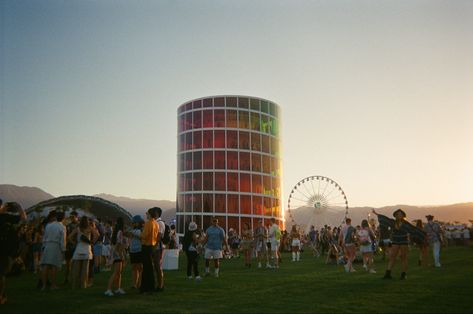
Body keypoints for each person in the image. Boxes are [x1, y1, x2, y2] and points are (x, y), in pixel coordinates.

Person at [373, 209, 425, 280]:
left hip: (404, 241)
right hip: (395, 241)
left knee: (403, 258)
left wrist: (423, 235)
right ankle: (388, 274)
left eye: (400, 214)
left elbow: (413, 230)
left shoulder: (406, 224)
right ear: (395, 215)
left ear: (403, 215)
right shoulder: (393, 222)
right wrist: (376, 213)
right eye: (397, 214)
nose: (399, 215)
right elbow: (385, 219)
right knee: (392, 257)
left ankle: (403, 274)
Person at [0, 201, 26, 304]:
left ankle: (2, 295)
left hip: (5, 249)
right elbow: (23, 220)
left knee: (2, 273)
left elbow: (23, 221)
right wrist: (19, 207)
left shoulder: (7, 217)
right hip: (4, 249)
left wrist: (19, 208)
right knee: (2, 273)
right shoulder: (6, 218)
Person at [40, 210, 66, 290]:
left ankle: (44, 285)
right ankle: (53, 285)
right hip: (56, 245)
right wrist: (63, 249)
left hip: (47, 245)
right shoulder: (62, 227)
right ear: (63, 218)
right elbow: (63, 240)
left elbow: (44, 236)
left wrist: (44, 246)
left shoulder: (48, 225)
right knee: (54, 265)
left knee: (46, 265)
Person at [69, 216, 98, 288]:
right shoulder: (90, 228)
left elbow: (69, 237)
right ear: (87, 221)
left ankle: (74, 284)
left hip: (78, 248)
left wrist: (74, 243)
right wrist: (93, 242)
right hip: (87, 248)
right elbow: (97, 234)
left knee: (76, 268)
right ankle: (83, 285)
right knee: (85, 269)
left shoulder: (78, 229)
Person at [105, 217, 128, 296]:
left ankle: (118, 288)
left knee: (118, 273)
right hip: (117, 254)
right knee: (116, 273)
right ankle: (108, 289)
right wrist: (122, 256)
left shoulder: (116, 231)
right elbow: (119, 245)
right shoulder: (120, 232)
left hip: (115, 253)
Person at [140, 208, 159, 294]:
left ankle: (146, 288)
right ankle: (151, 286)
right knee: (150, 267)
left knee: (146, 268)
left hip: (146, 246)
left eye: (147, 213)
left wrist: (138, 234)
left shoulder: (148, 223)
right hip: (152, 247)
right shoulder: (156, 223)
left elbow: (144, 235)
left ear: (150, 214)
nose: (146, 215)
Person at [129, 215, 144, 290]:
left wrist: (134, 235)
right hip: (132, 250)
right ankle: (134, 284)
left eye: (135, 222)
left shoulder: (141, 230)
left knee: (140, 267)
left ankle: (140, 284)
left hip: (139, 250)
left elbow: (142, 238)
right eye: (134, 222)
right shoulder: (132, 230)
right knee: (134, 267)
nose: (134, 224)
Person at [153, 207, 166, 292]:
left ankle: (160, 285)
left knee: (158, 266)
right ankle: (158, 284)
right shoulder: (156, 222)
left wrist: (154, 247)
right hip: (156, 247)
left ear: (157, 213)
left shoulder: (160, 223)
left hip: (158, 247)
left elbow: (159, 236)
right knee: (156, 266)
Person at [64, 211, 79, 284]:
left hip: (76, 246)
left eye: (73, 217)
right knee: (68, 264)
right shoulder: (68, 226)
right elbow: (66, 236)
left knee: (76, 264)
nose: (71, 218)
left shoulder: (79, 226)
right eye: (71, 217)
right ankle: (67, 278)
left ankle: (74, 279)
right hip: (69, 246)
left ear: (77, 217)